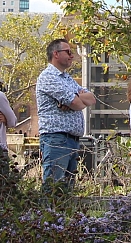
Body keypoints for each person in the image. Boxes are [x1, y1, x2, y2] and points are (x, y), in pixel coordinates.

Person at [35, 38, 96, 187]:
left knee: (67, 191)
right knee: (54, 188)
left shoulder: (67, 78)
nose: (72, 56)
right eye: (68, 52)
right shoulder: (48, 76)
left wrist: (74, 99)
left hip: (72, 140)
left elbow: (91, 98)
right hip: (56, 139)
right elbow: (76, 103)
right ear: (56, 54)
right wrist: (75, 99)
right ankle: (47, 211)